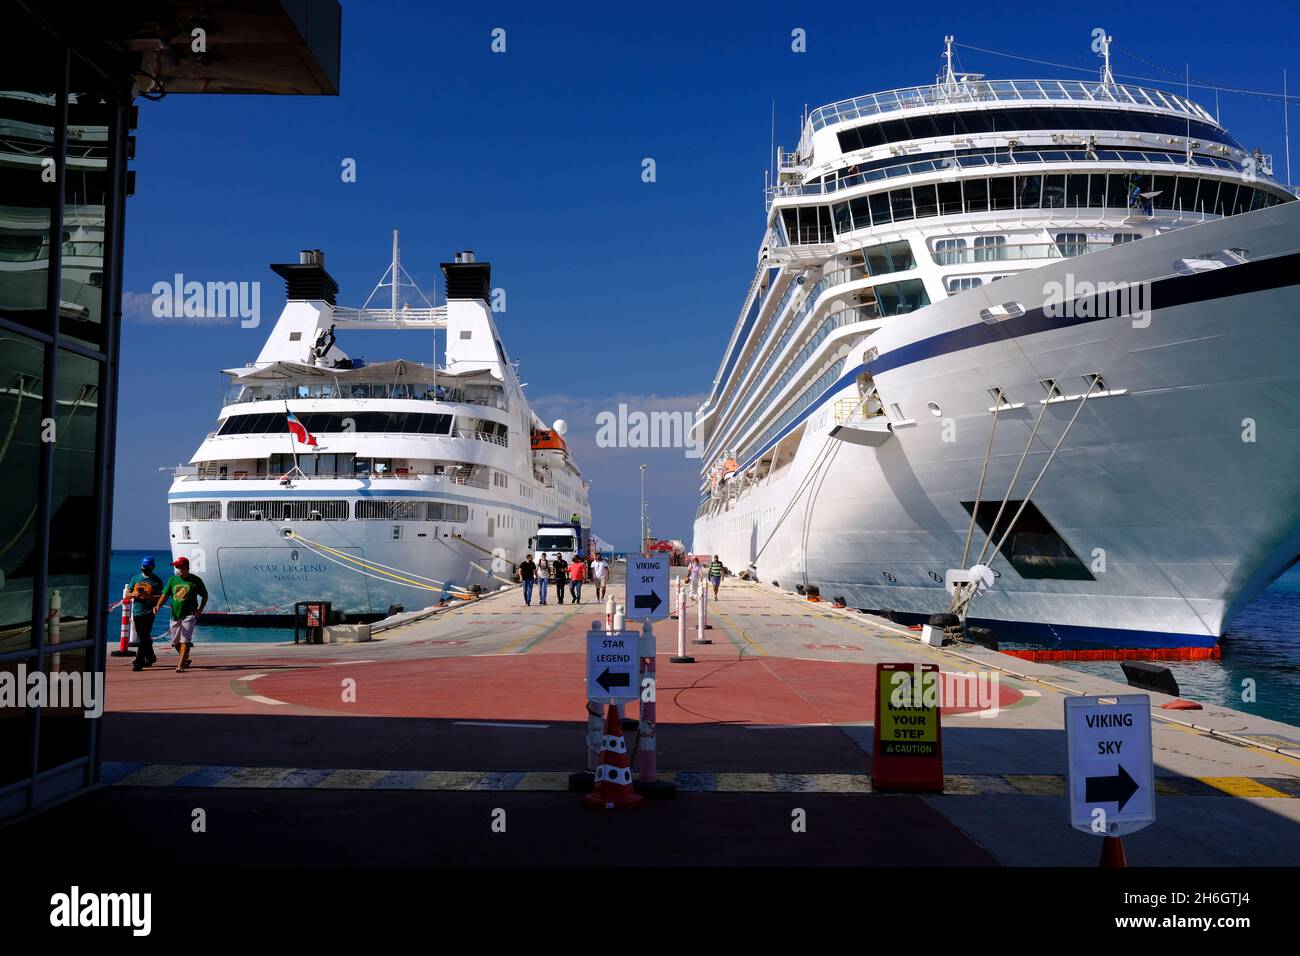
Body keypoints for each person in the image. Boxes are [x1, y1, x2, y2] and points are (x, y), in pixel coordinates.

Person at [155, 556, 208, 673]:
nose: (176, 568)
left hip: (189, 615)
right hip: (175, 615)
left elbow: (205, 595)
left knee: (185, 640)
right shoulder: (173, 580)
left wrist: (200, 609)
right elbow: (165, 594)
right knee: (175, 642)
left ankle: (180, 665)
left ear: (185, 567)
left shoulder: (195, 581)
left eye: (178, 566)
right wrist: (158, 605)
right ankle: (185, 658)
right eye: (175, 566)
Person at [127, 555, 165, 671]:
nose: (145, 569)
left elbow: (161, 597)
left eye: (148, 567)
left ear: (153, 567)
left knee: (143, 637)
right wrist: (135, 594)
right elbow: (128, 594)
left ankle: (138, 662)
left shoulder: (157, 581)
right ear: (141, 567)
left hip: (149, 612)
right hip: (137, 612)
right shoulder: (135, 578)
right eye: (144, 567)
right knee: (144, 637)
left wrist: (148, 596)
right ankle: (151, 657)